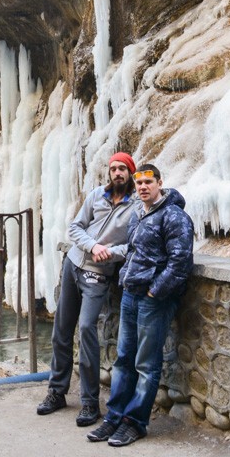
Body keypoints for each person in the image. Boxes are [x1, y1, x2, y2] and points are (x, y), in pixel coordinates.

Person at [86, 163, 194, 446]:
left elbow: (180, 262)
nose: (143, 187)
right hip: (131, 295)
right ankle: (114, 418)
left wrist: (155, 292)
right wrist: (125, 280)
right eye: (139, 183)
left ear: (160, 183)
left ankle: (135, 423)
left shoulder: (174, 217)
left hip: (152, 300)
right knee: (124, 359)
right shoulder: (138, 215)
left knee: (146, 363)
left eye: (148, 182)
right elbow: (133, 252)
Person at [37, 152, 137, 427]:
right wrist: (92, 246)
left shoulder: (137, 207)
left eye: (122, 169)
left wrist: (110, 252)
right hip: (73, 264)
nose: (117, 173)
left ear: (130, 172)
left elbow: (134, 244)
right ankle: (56, 392)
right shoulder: (96, 196)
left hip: (99, 274)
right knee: (61, 329)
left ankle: (90, 403)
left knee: (86, 329)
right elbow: (75, 227)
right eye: (114, 168)